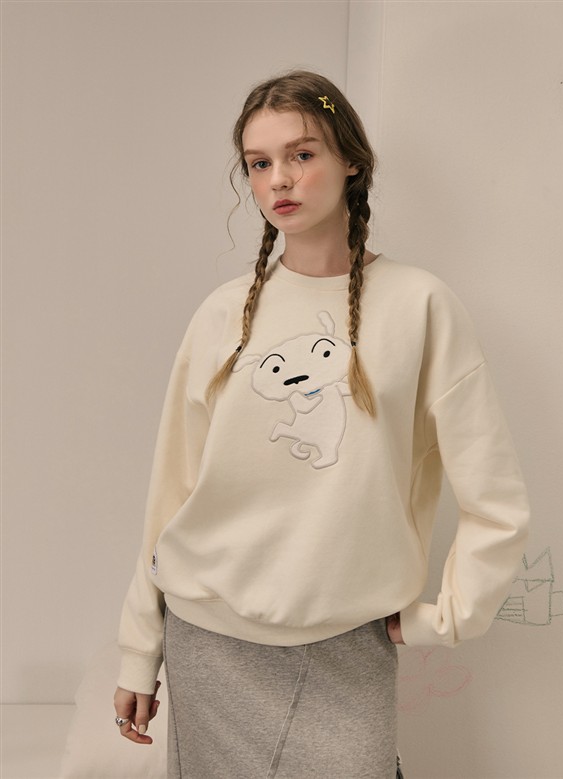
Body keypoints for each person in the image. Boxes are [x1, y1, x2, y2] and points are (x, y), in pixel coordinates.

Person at [113, 70, 530, 778]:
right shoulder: (221, 314)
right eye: (259, 163)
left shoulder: (421, 306)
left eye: (302, 154)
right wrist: (138, 648)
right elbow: (171, 495)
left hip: (346, 645)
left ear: (351, 161)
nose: (280, 178)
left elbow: (497, 498)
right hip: (209, 642)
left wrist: (449, 615)